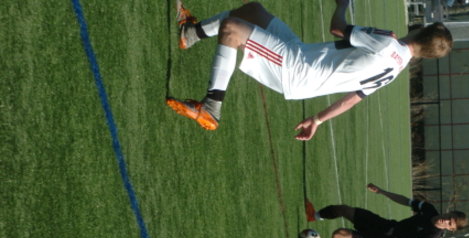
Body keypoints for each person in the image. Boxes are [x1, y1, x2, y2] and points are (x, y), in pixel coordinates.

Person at [166, 1, 453, 139]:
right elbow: (353, 99)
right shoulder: (396, 69)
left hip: (295, 67)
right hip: (302, 56)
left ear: (422, 29)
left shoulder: (389, 43)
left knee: (232, 29)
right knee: (253, 11)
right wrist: (318, 119)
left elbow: (337, 28)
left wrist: (342, 5)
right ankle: (190, 33)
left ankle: (211, 108)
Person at [305, 183, 467, 238]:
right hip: (385, 226)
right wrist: (382, 192)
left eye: (450, 224)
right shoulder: (430, 210)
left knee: (339, 235)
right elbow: (406, 201)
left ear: (451, 229)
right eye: (449, 217)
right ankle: (314, 216)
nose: (446, 220)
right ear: (449, 212)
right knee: (343, 209)